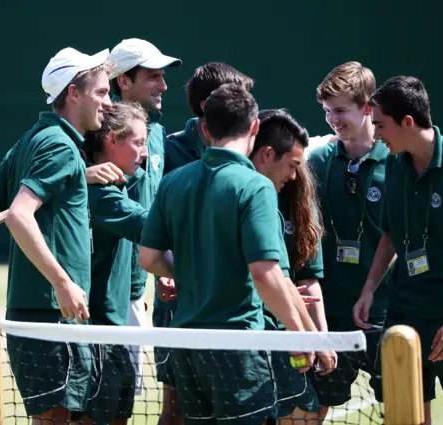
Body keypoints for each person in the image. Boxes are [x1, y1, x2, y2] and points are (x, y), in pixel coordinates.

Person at [138, 84, 336, 425]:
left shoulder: (173, 181)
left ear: (204, 128)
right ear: (254, 128)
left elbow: (148, 258)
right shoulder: (255, 186)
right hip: (238, 350)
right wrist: (304, 337)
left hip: (185, 349)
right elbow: (266, 273)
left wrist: (191, 274)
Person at [0, 47, 114, 424]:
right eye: (101, 92)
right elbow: (17, 214)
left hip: (36, 313)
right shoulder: (60, 145)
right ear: (73, 92)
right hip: (54, 315)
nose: (108, 103)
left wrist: (21, 215)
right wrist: (62, 283)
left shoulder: (31, 140)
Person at [353, 75, 443, 425]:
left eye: (381, 125)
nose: (377, 135)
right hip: (406, 309)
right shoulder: (393, 165)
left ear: (408, 122)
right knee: (407, 413)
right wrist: (369, 289)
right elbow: (389, 236)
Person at [155, 62, 255, 425]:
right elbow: (155, 229)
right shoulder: (167, 152)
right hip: (179, 306)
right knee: (176, 410)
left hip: (233, 310)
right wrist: (168, 271)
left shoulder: (250, 151)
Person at [307, 61, 390, 418]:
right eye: (327, 111)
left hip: (388, 315)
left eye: (341, 110)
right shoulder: (318, 160)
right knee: (313, 408)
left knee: (406, 406)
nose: (333, 119)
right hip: (331, 315)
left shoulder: (397, 159)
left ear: (367, 107)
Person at [108, 37, 182, 397]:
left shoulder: (158, 136)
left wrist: (160, 267)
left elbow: (154, 209)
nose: (163, 85)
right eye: (153, 76)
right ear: (123, 80)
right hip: (104, 292)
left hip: (139, 288)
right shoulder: (96, 138)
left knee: (121, 404)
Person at [249, 109, 330, 425]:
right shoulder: (238, 192)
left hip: (291, 336)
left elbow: (309, 279)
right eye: (291, 166)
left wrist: (320, 339)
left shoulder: (298, 201)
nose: (294, 175)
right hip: (246, 337)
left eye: (299, 166)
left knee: (304, 412)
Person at [81, 101, 151, 425]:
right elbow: (155, 227)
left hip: (112, 333)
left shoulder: (108, 192)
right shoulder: (104, 198)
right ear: (111, 140)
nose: (145, 153)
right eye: (138, 142)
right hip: (97, 338)